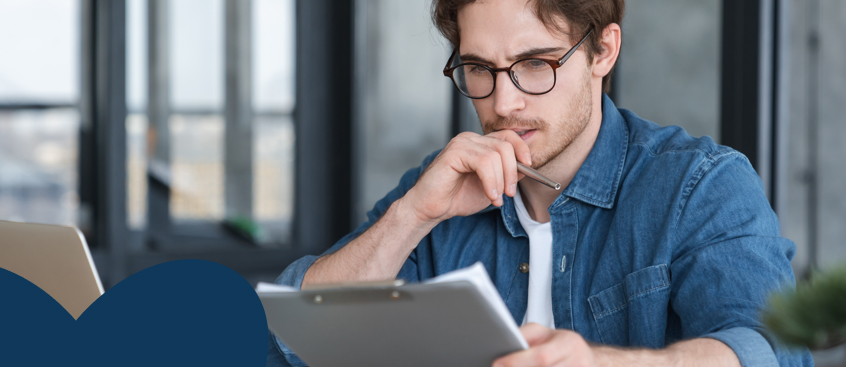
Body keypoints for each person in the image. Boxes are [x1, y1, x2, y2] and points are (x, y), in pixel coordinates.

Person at [268, 0, 813, 366]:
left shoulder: (699, 185)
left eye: (536, 64)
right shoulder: (437, 191)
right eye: (479, 69)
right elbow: (296, 334)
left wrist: (604, 364)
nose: (503, 104)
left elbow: (770, 348)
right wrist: (412, 216)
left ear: (603, 51)